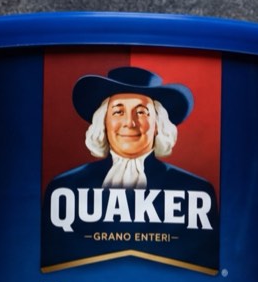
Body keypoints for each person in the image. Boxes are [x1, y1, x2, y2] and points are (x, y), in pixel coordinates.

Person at [48, 66, 214, 194]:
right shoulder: (66, 187)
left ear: (158, 124)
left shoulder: (193, 189)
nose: (130, 123)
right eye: (118, 112)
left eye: (141, 112)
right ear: (103, 122)